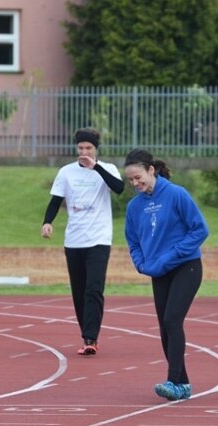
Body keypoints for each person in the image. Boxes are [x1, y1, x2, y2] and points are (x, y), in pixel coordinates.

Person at [123, 149, 209, 401]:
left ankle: (172, 380)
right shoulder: (134, 207)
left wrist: (168, 257)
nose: (135, 184)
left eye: (138, 177)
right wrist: (141, 264)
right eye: (130, 180)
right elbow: (133, 241)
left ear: (152, 170)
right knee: (164, 327)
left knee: (172, 320)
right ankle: (182, 384)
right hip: (157, 272)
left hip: (186, 267)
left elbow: (200, 230)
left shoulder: (176, 194)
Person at [41, 127, 124, 355]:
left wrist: (95, 167)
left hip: (98, 239)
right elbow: (55, 201)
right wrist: (47, 222)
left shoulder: (107, 169)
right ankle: (86, 333)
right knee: (79, 291)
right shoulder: (66, 172)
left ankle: (91, 338)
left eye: (88, 148)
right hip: (74, 240)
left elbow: (119, 188)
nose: (84, 151)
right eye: (80, 148)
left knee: (94, 289)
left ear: (96, 149)